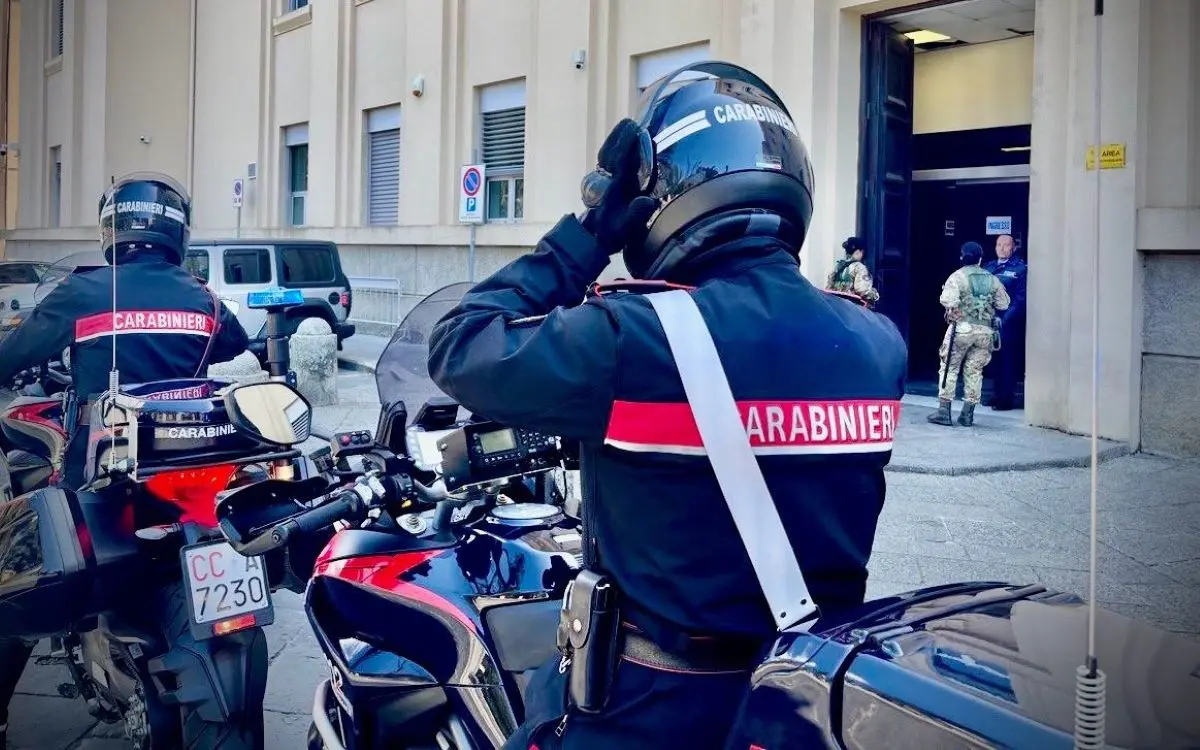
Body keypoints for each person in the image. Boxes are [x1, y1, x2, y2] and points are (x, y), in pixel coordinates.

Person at [426, 62, 907, 749]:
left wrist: (589, 234)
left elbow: (460, 344)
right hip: (800, 706)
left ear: (661, 199)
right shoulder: (877, 343)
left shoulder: (634, 340)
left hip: (648, 711)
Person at [0, 172, 249, 747]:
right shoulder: (203, 297)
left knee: (21, 575)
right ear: (178, 232)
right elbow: (235, 344)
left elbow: (11, 355)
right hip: (191, 471)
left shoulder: (86, 292)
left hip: (100, 474)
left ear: (112, 228)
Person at [927, 241, 1011, 428]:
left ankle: (944, 411)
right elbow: (1003, 303)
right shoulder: (992, 278)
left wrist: (957, 310)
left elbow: (947, 300)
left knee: (949, 367)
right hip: (985, 332)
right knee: (975, 371)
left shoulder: (957, 276)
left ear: (961, 257)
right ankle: (968, 414)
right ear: (980, 259)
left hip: (962, 329)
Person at [982, 234, 1027, 410]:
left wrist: (1005, 319)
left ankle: (1006, 398)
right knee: (995, 359)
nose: (1001, 248)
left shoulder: (1020, 269)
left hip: (1008, 323)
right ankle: (996, 394)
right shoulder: (989, 267)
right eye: (998, 244)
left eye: (1006, 245)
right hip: (989, 321)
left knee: (1008, 360)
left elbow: (1020, 300)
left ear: (1013, 247)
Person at [825, 235, 880, 306]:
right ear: (860, 251)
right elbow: (862, 290)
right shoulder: (859, 267)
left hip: (837, 306)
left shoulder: (838, 266)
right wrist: (874, 295)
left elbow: (828, 288)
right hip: (852, 307)